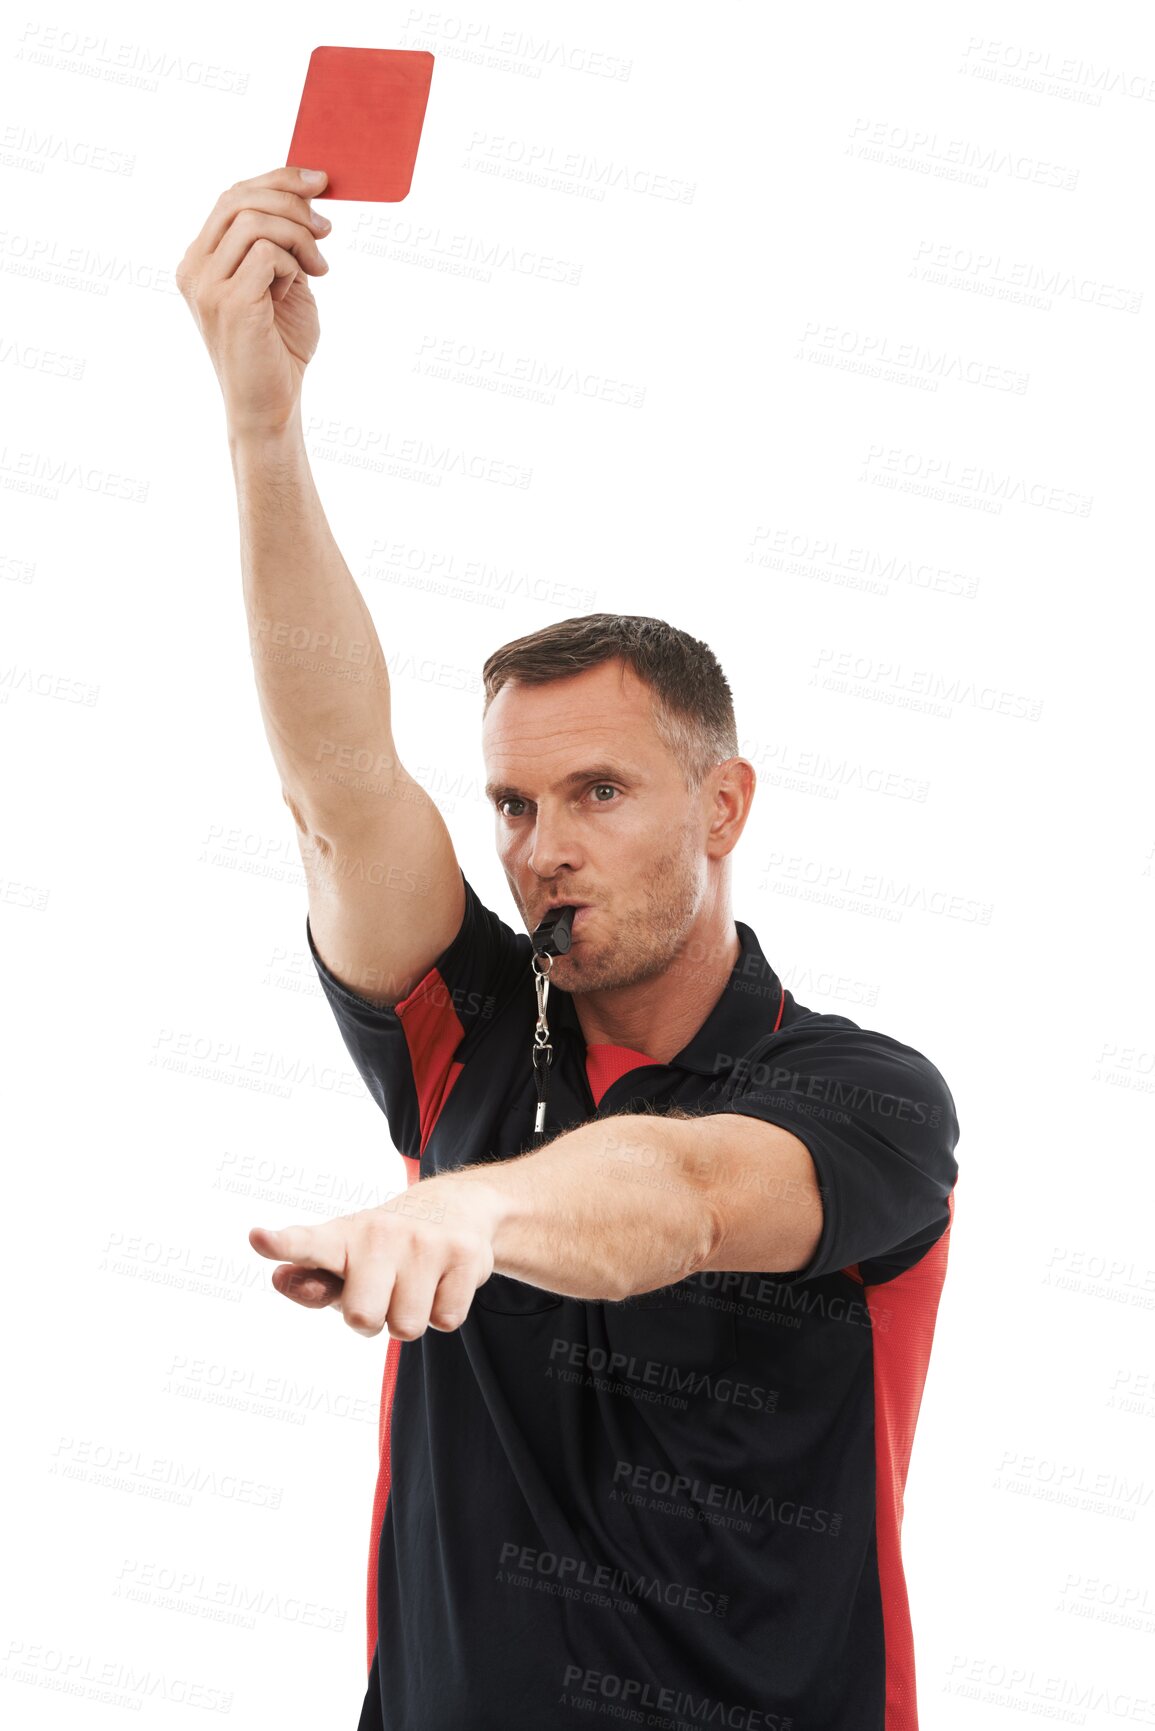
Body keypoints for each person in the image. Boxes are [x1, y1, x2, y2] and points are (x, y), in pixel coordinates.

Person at [178, 165, 961, 1731]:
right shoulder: (471, 1028)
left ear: (723, 803)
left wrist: (475, 1212)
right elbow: (339, 791)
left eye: (599, 791)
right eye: (516, 801)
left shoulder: (866, 1098)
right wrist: (263, 423)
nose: (540, 844)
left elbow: (670, 1194)